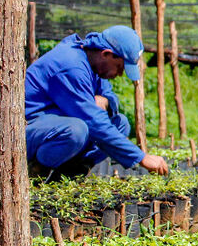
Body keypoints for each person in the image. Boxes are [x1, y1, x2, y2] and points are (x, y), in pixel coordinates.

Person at [25, 26, 169, 179]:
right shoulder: (71, 67)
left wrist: (106, 101)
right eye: (120, 67)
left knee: (120, 124)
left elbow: (111, 98)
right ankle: (36, 171)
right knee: (76, 130)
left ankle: (67, 176)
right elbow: (94, 122)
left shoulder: (94, 64)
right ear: (106, 54)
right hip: (30, 127)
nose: (120, 74)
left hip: (54, 122)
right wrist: (142, 158)